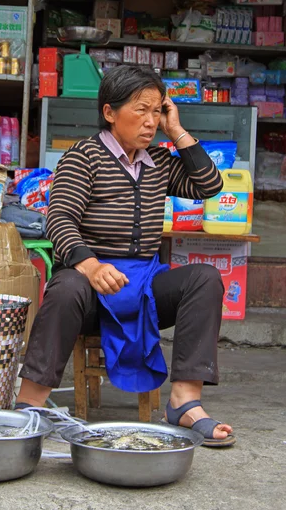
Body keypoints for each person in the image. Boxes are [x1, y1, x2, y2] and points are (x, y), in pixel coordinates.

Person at [16, 65, 235, 447]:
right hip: (90, 287)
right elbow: (60, 218)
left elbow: (209, 185)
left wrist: (176, 130)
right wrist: (91, 265)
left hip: (145, 285)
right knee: (64, 287)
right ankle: (30, 404)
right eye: (141, 110)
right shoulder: (82, 157)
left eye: (157, 111)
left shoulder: (160, 163)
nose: (150, 122)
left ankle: (185, 401)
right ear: (109, 112)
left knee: (204, 278)